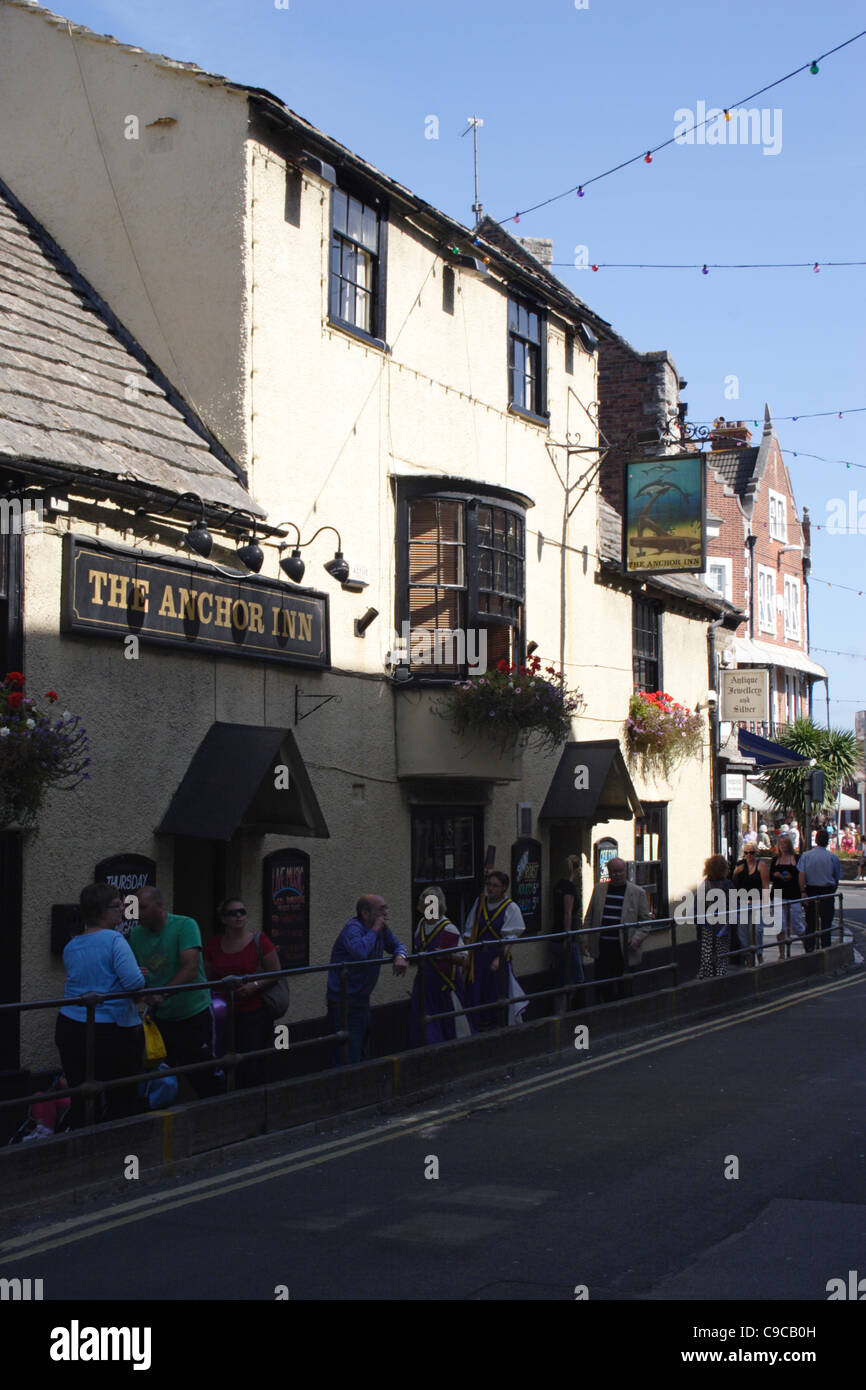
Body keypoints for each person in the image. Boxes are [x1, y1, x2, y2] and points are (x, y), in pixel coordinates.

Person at [55, 883, 147, 1129]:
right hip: (110, 1029)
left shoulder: (72, 945)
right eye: (117, 905)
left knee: (83, 1095)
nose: (122, 910)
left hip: (71, 1026)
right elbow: (134, 982)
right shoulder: (114, 940)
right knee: (121, 1095)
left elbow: (92, 979)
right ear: (101, 911)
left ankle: (81, 1149)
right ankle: (117, 1150)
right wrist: (140, 974)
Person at [129, 887, 224, 1098]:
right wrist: (143, 991)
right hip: (161, 1016)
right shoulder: (136, 935)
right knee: (160, 1076)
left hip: (193, 1012)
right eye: (134, 908)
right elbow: (136, 974)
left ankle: (219, 1117)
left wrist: (161, 994)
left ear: (159, 906)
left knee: (203, 1072)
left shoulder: (185, 925)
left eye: (143, 907)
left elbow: (189, 968)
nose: (137, 913)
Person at [203, 897, 280, 1087]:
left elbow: (276, 972)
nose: (238, 916)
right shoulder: (213, 945)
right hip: (223, 1013)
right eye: (232, 913)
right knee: (225, 1061)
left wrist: (253, 986)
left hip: (254, 1012)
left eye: (242, 912)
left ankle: (254, 1102)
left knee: (251, 1064)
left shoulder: (259, 941)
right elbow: (206, 977)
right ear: (223, 919)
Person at [326, 893, 408, 1064]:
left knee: (364, 1050)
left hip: (362, 1000)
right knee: (349, 1053)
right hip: (344, 1002)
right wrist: (375, 929)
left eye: (386, 908)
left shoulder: (379, 929)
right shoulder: (353, 929)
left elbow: (398, 945)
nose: (386, 914)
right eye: (381, 910)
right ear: (365, 913)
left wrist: (400, 956)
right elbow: (360, 953)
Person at [463, 870, 529, 1029]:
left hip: (496, 957)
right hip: (478, 957)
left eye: (495, 886)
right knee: (477, 993)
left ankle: (497, 1025)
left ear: (504, 888)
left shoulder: (510, 908)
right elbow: (469, 931)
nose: (490, 889)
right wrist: (466, 955)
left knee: (497, 993)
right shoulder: (480, 903)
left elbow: (511, 938)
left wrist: (500, 958)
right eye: (489, 885)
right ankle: (477, 1026)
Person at [408, 886, 472, 1046]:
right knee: (424, 1028)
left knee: (446, 1028)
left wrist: (448, 955)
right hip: (424, 985)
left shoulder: (448, 928)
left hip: (444, 986)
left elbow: (465, 960)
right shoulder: (422, 925)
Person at [582, 858, 652, 1002]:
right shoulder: (599, 889)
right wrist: (585, 939)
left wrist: (637, 938)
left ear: (625, 871)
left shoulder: (637, 892)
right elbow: (589, 918)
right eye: (614, 872)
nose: (618, 875)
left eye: (620, 871)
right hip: (602, 948)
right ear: (609, 873)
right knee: (603, 987)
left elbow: (646, 922)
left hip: (624, 949)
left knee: (624, 988)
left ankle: (626, 1016)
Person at [550, 854, 585, 1013]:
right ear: (576, 869)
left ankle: (560, 1012)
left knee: (560, 976)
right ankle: (566, 1012)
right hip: (566, 938)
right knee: (577, 977)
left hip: (554, 936)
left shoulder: (558, 885)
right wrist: (568, 936)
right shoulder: (569, 888)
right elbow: (568, 912)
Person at [798, 828, 841, 952]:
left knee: (810, 922)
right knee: (826, 922)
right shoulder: (832, 857)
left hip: (811, 890)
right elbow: (836, 877)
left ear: (816, 841)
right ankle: (825, 948)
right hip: (827, 892)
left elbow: (801, 875)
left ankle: (809, 948)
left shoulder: (806, 856)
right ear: (827, 842)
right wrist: (833, 890)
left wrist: (803, 892)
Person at [696, 855, 736, 978]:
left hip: (707, 923)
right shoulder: (727, 884)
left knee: (707, 952)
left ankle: (707, 975)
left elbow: (698, 905)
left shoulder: (704, 885)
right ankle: (720, 976)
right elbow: (733, 905)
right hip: (723, 924)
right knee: (722, 952)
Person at [731, 841, 770, 966]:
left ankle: (759, 954)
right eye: (746, 853)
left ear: (756, 853)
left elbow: (765, 885)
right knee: (743, 931)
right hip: (742, 902)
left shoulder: (761, 865)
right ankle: (748, 957)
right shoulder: (740, 865)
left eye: (751, 853)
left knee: (758, 930)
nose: (749, 855)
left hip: (757, 902)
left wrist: (765, 903)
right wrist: (736, 873)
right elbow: (734, 884)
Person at [769, 834, 806, 961]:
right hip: (778, 894)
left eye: (785, 843)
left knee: (797, 924)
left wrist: (792, 877)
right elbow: (770, 876)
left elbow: (801, 874)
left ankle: (807, 947)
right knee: (780, 926)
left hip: (793, 894)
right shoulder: (775, 859)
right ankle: (781, 953)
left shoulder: (797, 858)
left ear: (789, 844)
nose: (783, 846)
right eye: (780, 844)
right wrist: (776, 875)